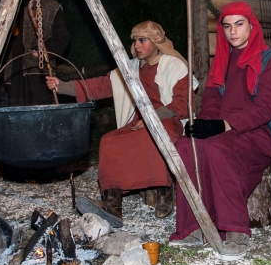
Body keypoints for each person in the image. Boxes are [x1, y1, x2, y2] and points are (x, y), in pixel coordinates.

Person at [169, 1, 271, 261]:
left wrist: (223, 126)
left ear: (252, 26)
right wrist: (203, 124)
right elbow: (211, 101)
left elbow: (265, 108)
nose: (233, 32)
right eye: (227, 26)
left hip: (259, 133)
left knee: (219, 150)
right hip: (225, 130)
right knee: (185, 146)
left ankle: (234, 230)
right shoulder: (222, 60)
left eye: (239, 24)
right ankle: (195, 225)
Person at [46, 21, 195, 226]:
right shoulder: (129, 68)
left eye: (142, 40)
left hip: (168, 119)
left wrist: (155, 116)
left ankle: (164, 192)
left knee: (160, 135)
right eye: (135, 41)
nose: (137, 46)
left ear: (156, 41)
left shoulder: (174, 65)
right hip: (136, 121)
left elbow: (184, 101)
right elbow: (101, 85)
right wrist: (63, 86)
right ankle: (113, 204)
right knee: (110, 141)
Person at [1, 0, 69, 106]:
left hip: (38, 72)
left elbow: (62, 37)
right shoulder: (12, 9)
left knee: (42, 113)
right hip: (14, 73)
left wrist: (43, 50)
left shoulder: (51, 6)